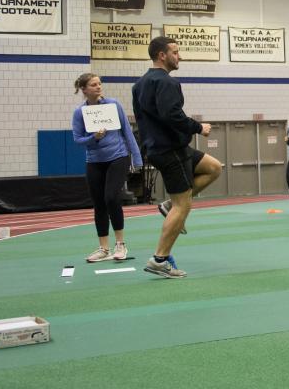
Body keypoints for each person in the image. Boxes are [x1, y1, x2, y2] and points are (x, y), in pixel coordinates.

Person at [133, 36, 223, 278]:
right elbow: (171, 115)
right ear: (162, 55)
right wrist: (198, 127)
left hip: (166, 148)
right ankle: (159, 259)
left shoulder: (139, 84)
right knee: (184, 205)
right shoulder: (167, 83)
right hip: (170, 150)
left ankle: (168, 205)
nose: (179, 56)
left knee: (214, 167)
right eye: (175, 52)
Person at [72, 73, 142, 263]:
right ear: (84, 89)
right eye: (93, 84)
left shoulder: (113, 105)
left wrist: (137, 158)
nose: (98, 87)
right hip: (94, 161)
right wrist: (93, 138)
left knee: (111, 197)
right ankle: (104, 248)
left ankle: (120, 244)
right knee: (99, 203)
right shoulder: (80, 113)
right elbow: (78, 139)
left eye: (99, 83)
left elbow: (127, 131)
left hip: (118, 157)